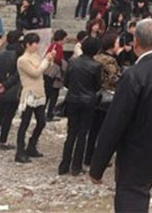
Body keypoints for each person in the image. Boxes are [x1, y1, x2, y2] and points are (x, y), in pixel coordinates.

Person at [89, 19, 152, 213]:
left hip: (135, 151)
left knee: (130, 200)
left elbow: (115, 122)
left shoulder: (134, 74)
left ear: (136, 41)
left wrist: (97, 166)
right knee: (140, 194)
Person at [58, 37, 102, 176]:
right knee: (83, 134)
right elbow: (97, 86)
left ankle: (64, 165)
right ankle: (76, 166)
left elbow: (66, 82)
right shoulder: (96, 66)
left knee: (71, 133)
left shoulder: (72, 63)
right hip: (88, 101)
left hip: (72, 99)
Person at [15, 33, 55, 163]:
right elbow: (35, 72)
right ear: (27, 44)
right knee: (25, 123)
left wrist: (49, 59)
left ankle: (31, 146)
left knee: (41, 121)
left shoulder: (36, 56)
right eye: (34, 43)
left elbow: (43, 69)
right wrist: (46, 61)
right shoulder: (22, 59)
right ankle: (20, 151)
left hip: (39, 92)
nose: (37, 46)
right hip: (29, 93)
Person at [85, 32, 121, 167]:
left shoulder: (96, 57)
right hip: (106, 97)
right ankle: (98, 158)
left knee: (93, 130)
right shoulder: (109, 61)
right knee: (103, 131)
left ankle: (88, 156)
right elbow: (114, 78)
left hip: (94, 96)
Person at [0, 30, 22, 150]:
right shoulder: (19, 56)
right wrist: (6, 85)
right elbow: (17, 75)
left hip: (0, 89)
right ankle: (3, 140)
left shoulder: (0, 55)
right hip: (12, 89)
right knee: (8, 116)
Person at [44, 29, 67, 122]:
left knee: (47, 95)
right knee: (53, 95)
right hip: (54, 74)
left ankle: (43, 113)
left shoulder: (52, 45)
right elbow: (58, 59)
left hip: (48, 73)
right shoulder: (58, 46)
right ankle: (50, 114)